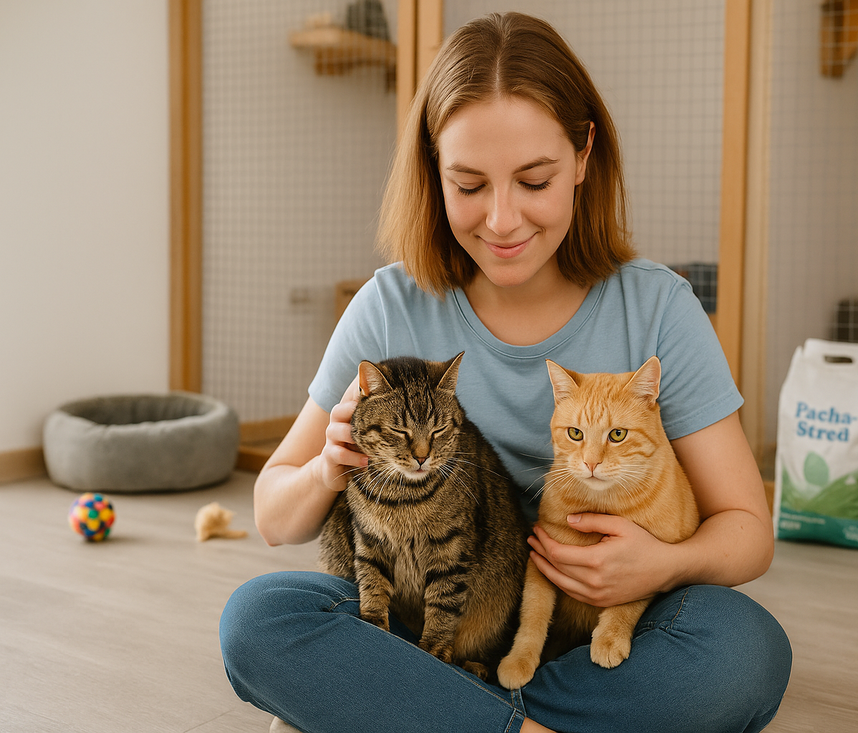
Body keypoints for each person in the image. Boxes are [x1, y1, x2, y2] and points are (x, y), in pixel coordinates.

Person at [220, 12, 791, 733]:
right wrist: (326, 469)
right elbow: (274, 514)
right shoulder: (390, 304)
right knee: (257, 619)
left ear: (584, 154)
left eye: (533, 180)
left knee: (744, 648)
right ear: (433, 170)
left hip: (594, 626)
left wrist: (659, 566)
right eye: (468, 184)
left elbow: (747, 529)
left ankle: (424, 711)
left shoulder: (656, 306)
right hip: (436, 622)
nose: (501, 220)